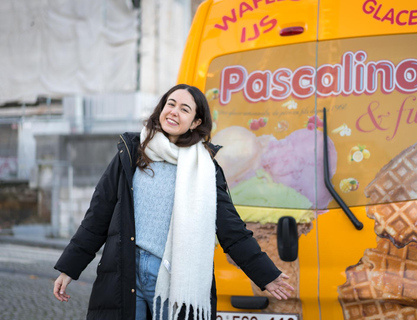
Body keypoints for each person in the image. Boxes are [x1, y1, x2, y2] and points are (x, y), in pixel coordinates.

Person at [53, 84, 294, 320]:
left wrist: (265, 274)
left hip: (173, 278)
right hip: (125, 271)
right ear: (161, 108)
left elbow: (231, 229)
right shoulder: (131, 153)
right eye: (171, 104)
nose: (174, 112)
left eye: (185, 109)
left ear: (196, 122)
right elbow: (98, 215)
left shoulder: (204, 167)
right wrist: (69, 268)